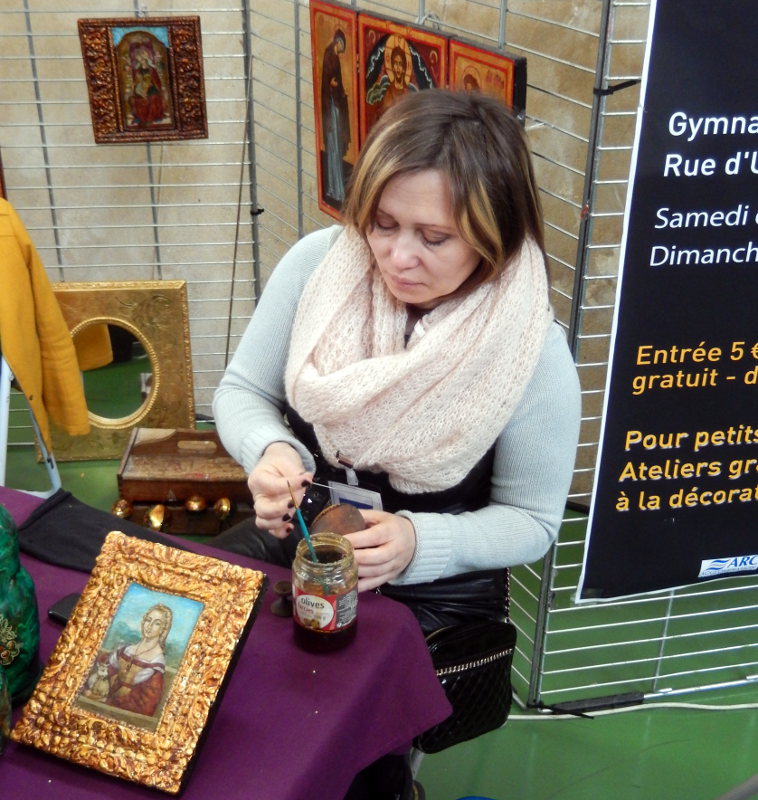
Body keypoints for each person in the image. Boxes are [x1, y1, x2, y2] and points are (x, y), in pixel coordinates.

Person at [213, 88, 580, 798]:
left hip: (433, 581)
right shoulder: (320, 265)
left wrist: (417, 543)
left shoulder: (532, 352)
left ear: (494, 234)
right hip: (308, 537)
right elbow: (242, 392)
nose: (397, 257)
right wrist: (272, 452)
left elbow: (533, 523)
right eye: (382, 223)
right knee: (196, 646)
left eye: (434, 237)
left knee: (347, 743)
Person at [104, 603, 172, 717]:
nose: (149, 626)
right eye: (148, 620)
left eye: (157, 623)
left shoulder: (156, 662)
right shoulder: (127, 649)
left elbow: (147, 705)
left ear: (163, 629)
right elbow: (106, 670)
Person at [320, 29, 351, 205]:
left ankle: (336, 188)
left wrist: (340, 90)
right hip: (331, 109)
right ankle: (336, 189)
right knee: (334, 149)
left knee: (335, 149)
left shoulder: (332, 56)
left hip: (333, 106)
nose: (342, 49)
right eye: (342, 46)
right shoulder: (330, 56)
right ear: (338, 42)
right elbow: (329, 83)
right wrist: (336, 89)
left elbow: (332, 82)